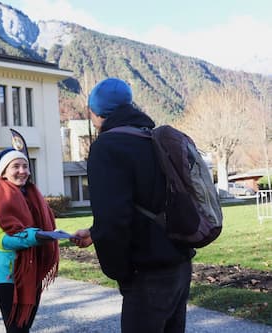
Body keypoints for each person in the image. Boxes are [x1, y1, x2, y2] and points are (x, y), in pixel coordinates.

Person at [71, 78, 195, 333]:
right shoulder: (153, 138)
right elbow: (148, 201)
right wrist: (94, 234)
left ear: (95, 112)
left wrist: (121, 273)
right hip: (179, 265)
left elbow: (113, 220)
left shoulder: (107, 147)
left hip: (147, 273)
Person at [0, 148, 59, 333]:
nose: (22, 171)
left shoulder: (33, 196)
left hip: (32, 274)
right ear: (4, 171)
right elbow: (0, 240)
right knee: (17, 329)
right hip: (7, 277)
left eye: (25, 166)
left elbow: (47, 228)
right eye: (15, 166)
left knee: (25, 327)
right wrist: (36, 237)